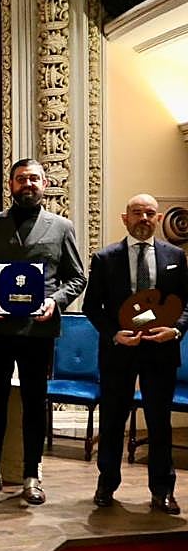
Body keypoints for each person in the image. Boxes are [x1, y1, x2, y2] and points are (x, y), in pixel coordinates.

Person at [0, 158, 86, 505]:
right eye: (21, 179)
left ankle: (32, 475)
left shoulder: (61, 227)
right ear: (11, 184)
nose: (28, 184)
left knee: (35, 405)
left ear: (45, 184)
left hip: (38, 330)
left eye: (34, 178)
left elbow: (77, 276)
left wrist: (55, 302)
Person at [83, 194, 186, 515]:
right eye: (137, 212)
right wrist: (114, 333)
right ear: (124, 218)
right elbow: (91, 307)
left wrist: (177, 330)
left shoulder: (176, 257)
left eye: (150, 213)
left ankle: (163, 491)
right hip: (119, 351)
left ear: (157, 219)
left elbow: (187, 304)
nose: (144, 218)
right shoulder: (105, 258)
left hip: (161, 350)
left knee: (159, 423)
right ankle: (106, 485)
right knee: (112, 421)